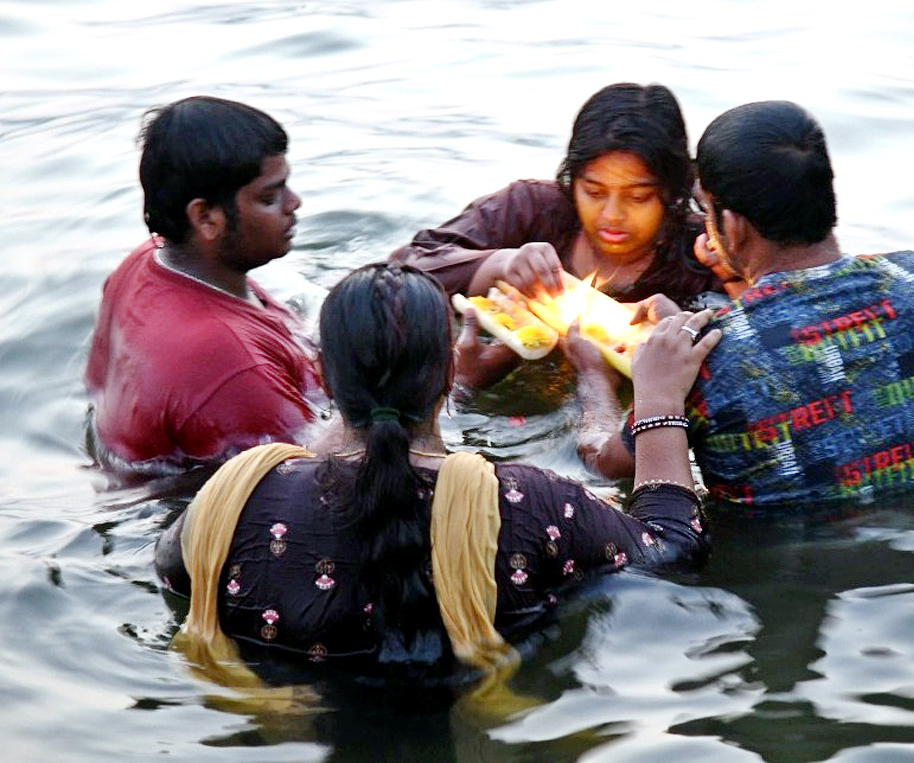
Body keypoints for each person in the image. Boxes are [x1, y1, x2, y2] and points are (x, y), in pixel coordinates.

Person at [153, 262, 718, 673]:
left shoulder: (238, 498)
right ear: (448, 372)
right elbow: (672, 549)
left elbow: (176, 572)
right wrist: (660, 399)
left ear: (324, 377)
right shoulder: (524, 504)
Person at [573, 101, 914, 507]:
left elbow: (603, 460)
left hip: (779, 557)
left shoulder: (713, 354)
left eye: (706, 210)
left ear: (733, 226)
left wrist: (593, 373)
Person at [85, 96, 325, 479]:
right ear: (205, 217)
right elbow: (324, 477)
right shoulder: (230, 365)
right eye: (269, 196)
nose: (294, 203)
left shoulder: (146, 261)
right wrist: (456, 387)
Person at [390, 82, 725, 307]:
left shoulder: (704, 254)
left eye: (637, 198)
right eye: (593, 192)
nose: (611, 215)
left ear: (671, 193)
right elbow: (404, 268)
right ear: (572, 180)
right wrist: (498, 265)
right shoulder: (532, 209)